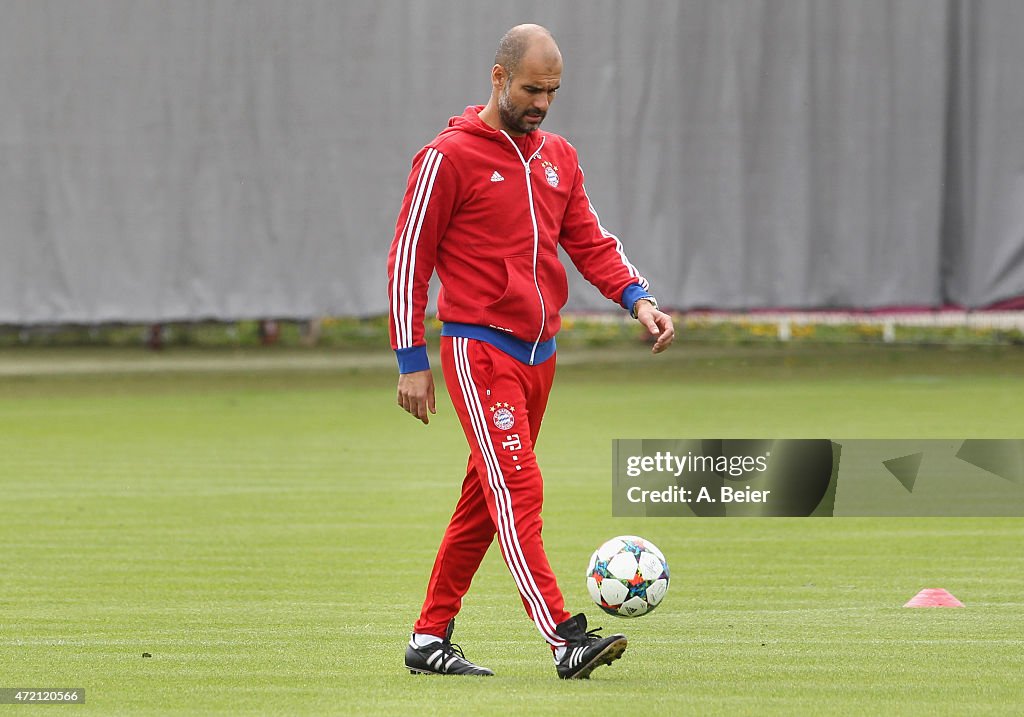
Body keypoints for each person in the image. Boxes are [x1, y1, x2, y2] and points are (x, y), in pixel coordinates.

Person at [387, 23, 675, 679]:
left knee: (485, 498)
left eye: (552, 91)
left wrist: (639, 298)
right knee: (517, 489)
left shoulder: (558, 157)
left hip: (539, 357)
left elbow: (590, 239)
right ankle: (563, 636)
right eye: (531, 88)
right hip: (479, 349)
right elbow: (409, 262)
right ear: (498, 78)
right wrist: (411, 360)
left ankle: (429, 637)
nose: (542, 102)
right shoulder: (446, 157)